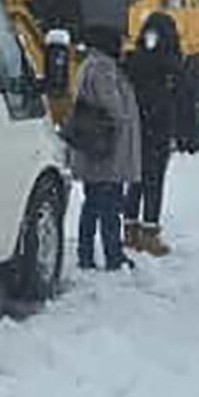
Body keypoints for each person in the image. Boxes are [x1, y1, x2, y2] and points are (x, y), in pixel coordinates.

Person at [69, 25, 142, 271]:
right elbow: (112, 105)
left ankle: (86, 254)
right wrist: (125, 118)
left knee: (92, 203)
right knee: (109, 203)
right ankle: (113, 254)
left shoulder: (89, 63)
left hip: (95, 147)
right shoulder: (102, 67)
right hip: (107, 149)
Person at [122, 14, 184, 257]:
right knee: (154, 181)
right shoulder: (171, 63)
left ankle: (130, 230)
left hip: (137, 128)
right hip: (158, 129)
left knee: (135, 179)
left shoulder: (134, 60)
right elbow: (179, 97)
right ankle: (150, 234)